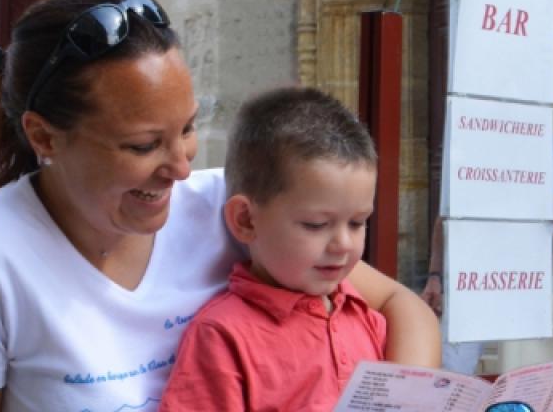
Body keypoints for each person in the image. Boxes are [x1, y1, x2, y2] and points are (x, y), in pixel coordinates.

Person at [0, 0, 438, 412]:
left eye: (188, 129)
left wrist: (403, 399)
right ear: (44, 136)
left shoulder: (226, 208)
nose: (180, 167)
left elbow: (401, 306)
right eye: (145, 144)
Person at [160, 87, 388, 410]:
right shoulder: (223, 336)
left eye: (357, 222)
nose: (344, 244)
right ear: (246, 220)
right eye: (315, 225)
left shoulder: (362, 313)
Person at [418, 138, 553, 375]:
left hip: (506, 279)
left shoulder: (538, 134)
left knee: (513, 371)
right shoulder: (466, 128)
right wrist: (435, 276)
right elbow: (449, 213)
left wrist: (525, 265)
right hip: (470, 276)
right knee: (452, 374)